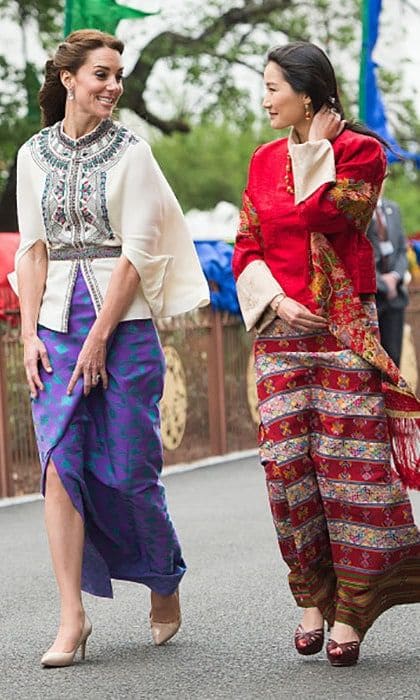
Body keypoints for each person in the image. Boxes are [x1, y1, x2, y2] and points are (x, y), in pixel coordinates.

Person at [10, 29, 209, 668]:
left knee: (128, 471)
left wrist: (99, 336)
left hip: (122, 327)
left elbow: (139, 252)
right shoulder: (32, 154)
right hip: (55, 326)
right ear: (68, 78)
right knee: (59, 468)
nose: (113, 86)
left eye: (117, 74)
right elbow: (33, 249)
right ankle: (72, 617)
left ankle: (162, 573)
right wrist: (27, 335)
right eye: (101, 74)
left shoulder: (134, 153)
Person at [233, 41, 420, 667]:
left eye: (272, 88)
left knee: (349, 468)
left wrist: (316, 151)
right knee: (286, 467)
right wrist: (278, 304)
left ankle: (349, 613)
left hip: (343, 330)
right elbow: (246, 245)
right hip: (281, 333)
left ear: (307, 93)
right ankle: (311, 596)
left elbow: (329, 217)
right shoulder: (261, 161)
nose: (265, 100)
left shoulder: (362, 152)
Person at [366, 189, 409, 367]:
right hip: (371, 296)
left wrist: (395, 277)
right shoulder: (359, 209)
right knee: (373, 360)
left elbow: (401, 250)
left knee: (394, 357)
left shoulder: (394, 208)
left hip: (395, 297)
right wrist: (383, 283)